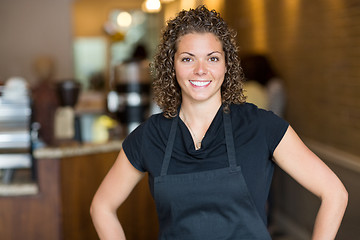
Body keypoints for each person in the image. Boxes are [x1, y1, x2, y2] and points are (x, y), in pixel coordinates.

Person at [90, 5, 347, 239]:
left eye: (212, 58)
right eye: (188, 58)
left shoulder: (260, 126)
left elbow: (334, 193)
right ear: (172, 66)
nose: (201, 69)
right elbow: (102, 207)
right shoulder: (151, 135)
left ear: (226, 66)